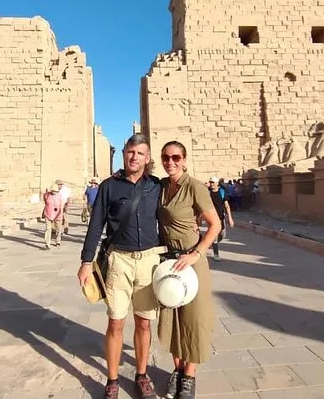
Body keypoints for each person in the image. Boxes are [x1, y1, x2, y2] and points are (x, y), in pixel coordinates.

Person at [77, 133, 163, 399]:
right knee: (115, 322)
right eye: (130, 152)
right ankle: (112, 379)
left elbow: (170, 217)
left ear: (147, 158)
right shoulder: (109, 186)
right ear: (124, 154)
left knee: (144, 323)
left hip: (148, 260)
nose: (134, 157)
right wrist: (86, 261)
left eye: (140, 153)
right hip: (118, 261)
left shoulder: (156, 186)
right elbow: (96, 225)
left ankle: (141, 374)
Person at [157, 141, 222, 399]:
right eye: (166, 157)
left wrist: (197, 253)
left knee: (195, 318)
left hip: (191, 262)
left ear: (184, 159)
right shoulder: (162, 186)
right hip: (168, 261)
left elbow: (215, 224)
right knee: (172, 318)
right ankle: (177, 370)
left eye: (176, 157)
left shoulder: (194, 187)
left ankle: (189, 376)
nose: (170, 162)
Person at [207, 176, 234, 262]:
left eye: (213, 182)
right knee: (214, 235)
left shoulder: (222, 192)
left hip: (221, 216)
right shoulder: (207, 193)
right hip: (212, 217)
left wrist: (230, 218)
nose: (211, 184)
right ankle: (216, 254)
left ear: (217, 183)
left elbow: (226, 205)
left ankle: (211, 242)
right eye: (210, 182)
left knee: (222, 234)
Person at [42, 183, 63, 249]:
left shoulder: (59, 196)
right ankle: (47, 243)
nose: (54, 192)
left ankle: (58, 241)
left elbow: (61, 206)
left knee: (58, 228)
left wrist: (61, 215)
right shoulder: (46, 195)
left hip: (57, 214)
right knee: (48, 229)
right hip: (48, 213)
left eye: (55, 191)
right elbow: (45, 202)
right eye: (53, 190)